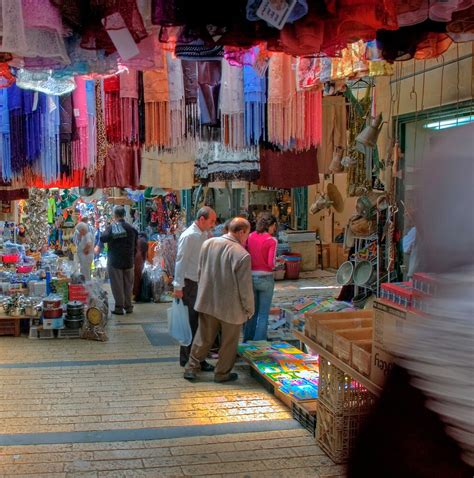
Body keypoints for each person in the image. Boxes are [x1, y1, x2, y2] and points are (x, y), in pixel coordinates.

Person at [184, 217, 255, 383]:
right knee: (229, 342)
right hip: (231, 306)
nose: (247, 238)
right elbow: (245, 288)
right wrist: (249, 309)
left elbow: (200, 271)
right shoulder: (242, 255)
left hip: (207, 300)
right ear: (241, 231)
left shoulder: (208, 244)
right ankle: (221, 373)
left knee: (203, 337)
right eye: (247, 234)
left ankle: (191, 368)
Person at [173, 206, 217, 370]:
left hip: (200, 282)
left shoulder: (203, 234)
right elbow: (181, 261)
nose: (213, 224)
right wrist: (178, 286)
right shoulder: (190, 236)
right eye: (211, 221)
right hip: (189, 284)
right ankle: (189, 359)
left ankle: (198, 357)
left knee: (200, 323)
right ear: (202, 219)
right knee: (191, 323)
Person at [243, 212, 278, 342]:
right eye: (274, 226)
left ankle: (247, 339)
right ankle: (259, 341)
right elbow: (271, 263)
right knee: (263, 313)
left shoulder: (250, 237)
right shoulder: (271, 240)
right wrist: (277, 263)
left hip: (251, 277)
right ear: (270, 225)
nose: (274, 229)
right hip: (266, 278)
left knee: (252, 312)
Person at [100, 206, 138, 315]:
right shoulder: (131, 228)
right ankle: (128, 306)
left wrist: (108, 228)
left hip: (115, 261)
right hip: (129, 260)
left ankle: (119, 307)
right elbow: (136, 245)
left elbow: (103, 238)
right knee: (128, 285)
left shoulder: (113, 227)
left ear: (115, 215)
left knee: (117, 285)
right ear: (124, 215)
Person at [133, 232, 149, 300]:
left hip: (133, 258)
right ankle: (137, 295)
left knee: (134, 277)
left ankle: (134, 293)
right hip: (139, 259)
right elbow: (144, 253)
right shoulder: (144, 241)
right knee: (138, 277)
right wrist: (144, 261)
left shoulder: (136, 239)